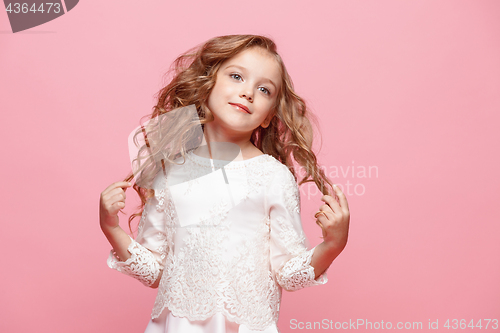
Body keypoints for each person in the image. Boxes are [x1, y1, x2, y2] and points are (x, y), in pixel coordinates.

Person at [99, 34, 350, 333]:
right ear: (207, 84)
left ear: (269, 117)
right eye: (236, 76)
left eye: (264, 89)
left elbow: (287, 273)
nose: (248, 93)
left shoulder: (273, 177)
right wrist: (111, 227)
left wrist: (333, 244)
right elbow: (155, 271)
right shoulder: (169, 171)